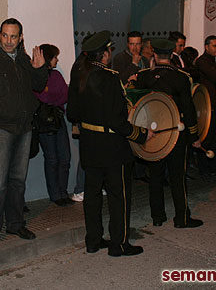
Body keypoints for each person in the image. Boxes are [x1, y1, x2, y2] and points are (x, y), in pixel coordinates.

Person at [67, 30, 151, 256]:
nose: (109, 54)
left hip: (89, 146)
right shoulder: (110, 77)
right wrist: (140, 135)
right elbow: (118, 120)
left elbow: (72, 113)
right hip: (113, 148)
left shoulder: (78, 74)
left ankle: (93, 241)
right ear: (104, 54)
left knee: (92, 197)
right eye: (109, 50)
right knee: (119, 196)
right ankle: (119, 244)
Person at [0, 18, 48, 251]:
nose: (8, 41)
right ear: (0, 34)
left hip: (24, 128)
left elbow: (38, 85)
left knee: (17, 181)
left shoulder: (24, 59)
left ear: (21, 37)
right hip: (1, 128)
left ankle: (15, 223)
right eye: (5, 35)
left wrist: (40, 68)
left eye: (13, 36)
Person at [133, 39, 203, 229]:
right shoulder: (181, 77)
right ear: (172, 55)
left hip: (153, 133)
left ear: (154, 54)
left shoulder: (143, 76)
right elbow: (188, 110)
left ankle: (157, 216)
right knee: (177, 177)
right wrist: (194, 136)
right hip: (175, 134)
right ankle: (182, 218)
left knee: (155, 176)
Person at [34, 43, 72, 207]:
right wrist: (51, 98)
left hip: (58, 119)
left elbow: (64, 95)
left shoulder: (56, 75)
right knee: (51, 159)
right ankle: (55, 195)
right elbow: (41, 96)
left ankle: (63, 191)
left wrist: (51, 98)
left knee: (65, 157)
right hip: (44, 121)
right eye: (55, 57)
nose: (57, 60)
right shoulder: (37, 75)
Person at [195, 35, 216, 175]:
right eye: (214, 46)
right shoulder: (202, 62)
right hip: (207, 104)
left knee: (215, 137)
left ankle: (214, 166)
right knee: (207, 136)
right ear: (206, 47)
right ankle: (205, 168)